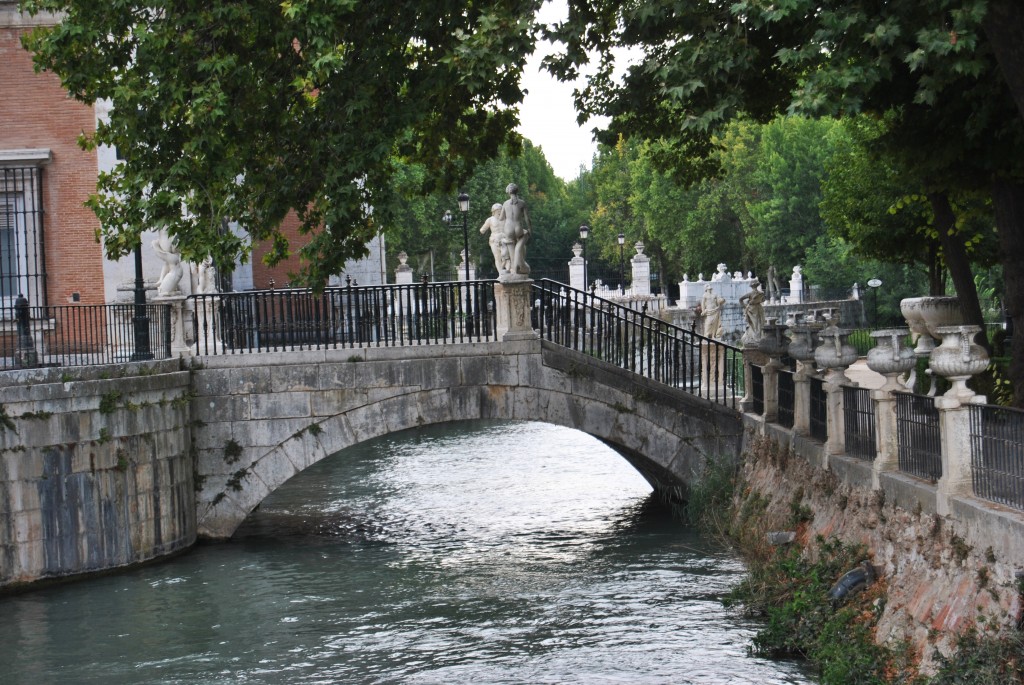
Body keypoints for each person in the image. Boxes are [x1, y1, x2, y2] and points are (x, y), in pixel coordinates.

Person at [499, 183, 531, 276]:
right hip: (518, 227)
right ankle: (519, 267)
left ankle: (515, 267)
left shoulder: (505, 203)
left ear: (508, 192)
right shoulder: (522, 203)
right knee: (522, 239)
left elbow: (501, 218)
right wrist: (529, 229)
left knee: (512, 249)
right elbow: (527, 219)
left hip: (508, 228)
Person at [479, 203, 509, 274]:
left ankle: (507, 271)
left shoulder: (505, 219)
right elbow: (482, 230)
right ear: (494, 211)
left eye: (501, 210)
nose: (500, 211)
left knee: (506, 257)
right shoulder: (490, 220)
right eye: (498, 210)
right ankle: (501, 273)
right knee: (497, 257)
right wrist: (483, 230)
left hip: (504, 240)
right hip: (494, 240)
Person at [152, 229, 184, 296]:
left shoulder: (171, 257)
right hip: (176, 273)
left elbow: (161, 254)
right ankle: (161, 280)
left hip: (174, 274)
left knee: (162, 292)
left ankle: (162, 281)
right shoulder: (173, 257)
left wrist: (155, 245)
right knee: (165, 292)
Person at [739, 280, 766, 345]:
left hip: (755, 308)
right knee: (756, 323)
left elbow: (740, 299)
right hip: (754, 309)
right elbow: (763, 300)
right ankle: (756, 337)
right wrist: (745, 306)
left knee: (757, 323)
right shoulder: (760, 293)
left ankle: (757, 337)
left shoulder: (753, 293)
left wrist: (745, 306)